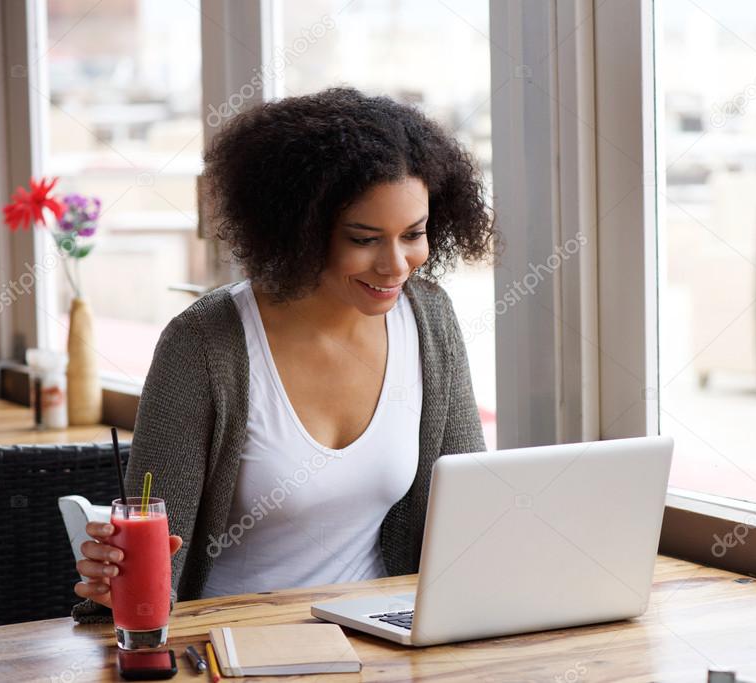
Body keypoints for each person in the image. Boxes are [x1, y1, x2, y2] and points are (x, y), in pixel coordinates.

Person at [71, 87, 494, 621]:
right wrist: (117, 585)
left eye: (413, 234)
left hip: (384, 640)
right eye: (363, 239)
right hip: (234, 648)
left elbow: (469, 512)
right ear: (300, 231)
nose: (395, 265)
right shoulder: (204, 345)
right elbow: (152, 565)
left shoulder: (429, 320)